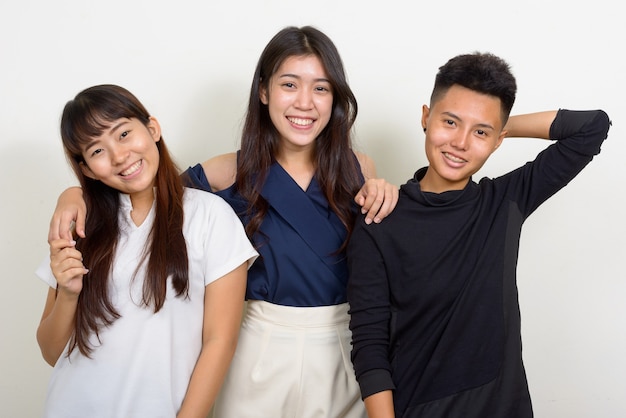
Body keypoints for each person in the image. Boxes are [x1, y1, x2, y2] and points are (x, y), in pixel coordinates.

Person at [47, 26, 398, 417]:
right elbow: (143, 186)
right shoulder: (226, 172)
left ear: (334, 97)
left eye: (320, 88)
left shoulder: (359, 171)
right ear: (263, 92)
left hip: (342, 349)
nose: (305, 103)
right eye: (289, 85)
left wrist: (389, 192)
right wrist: (74, 194)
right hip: (257, 349)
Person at [346, 52, 611, 418]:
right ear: (426, 117)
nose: (461, 142)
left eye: (480, 133)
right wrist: (486, 126)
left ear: (498, 140)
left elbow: (592, 127)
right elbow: (369, 346)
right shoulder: (380, 218)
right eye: (450, 122)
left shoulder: (505, 201)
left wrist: (499, 126)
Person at [36, 84, 258, 418]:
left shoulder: (211, 216)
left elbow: (220, 341)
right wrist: (68, 294)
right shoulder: (81, 226)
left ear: (152, 128)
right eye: (97, 150)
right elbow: (53, 352)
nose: (119, 156)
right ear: (85, 169)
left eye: (123, 133)